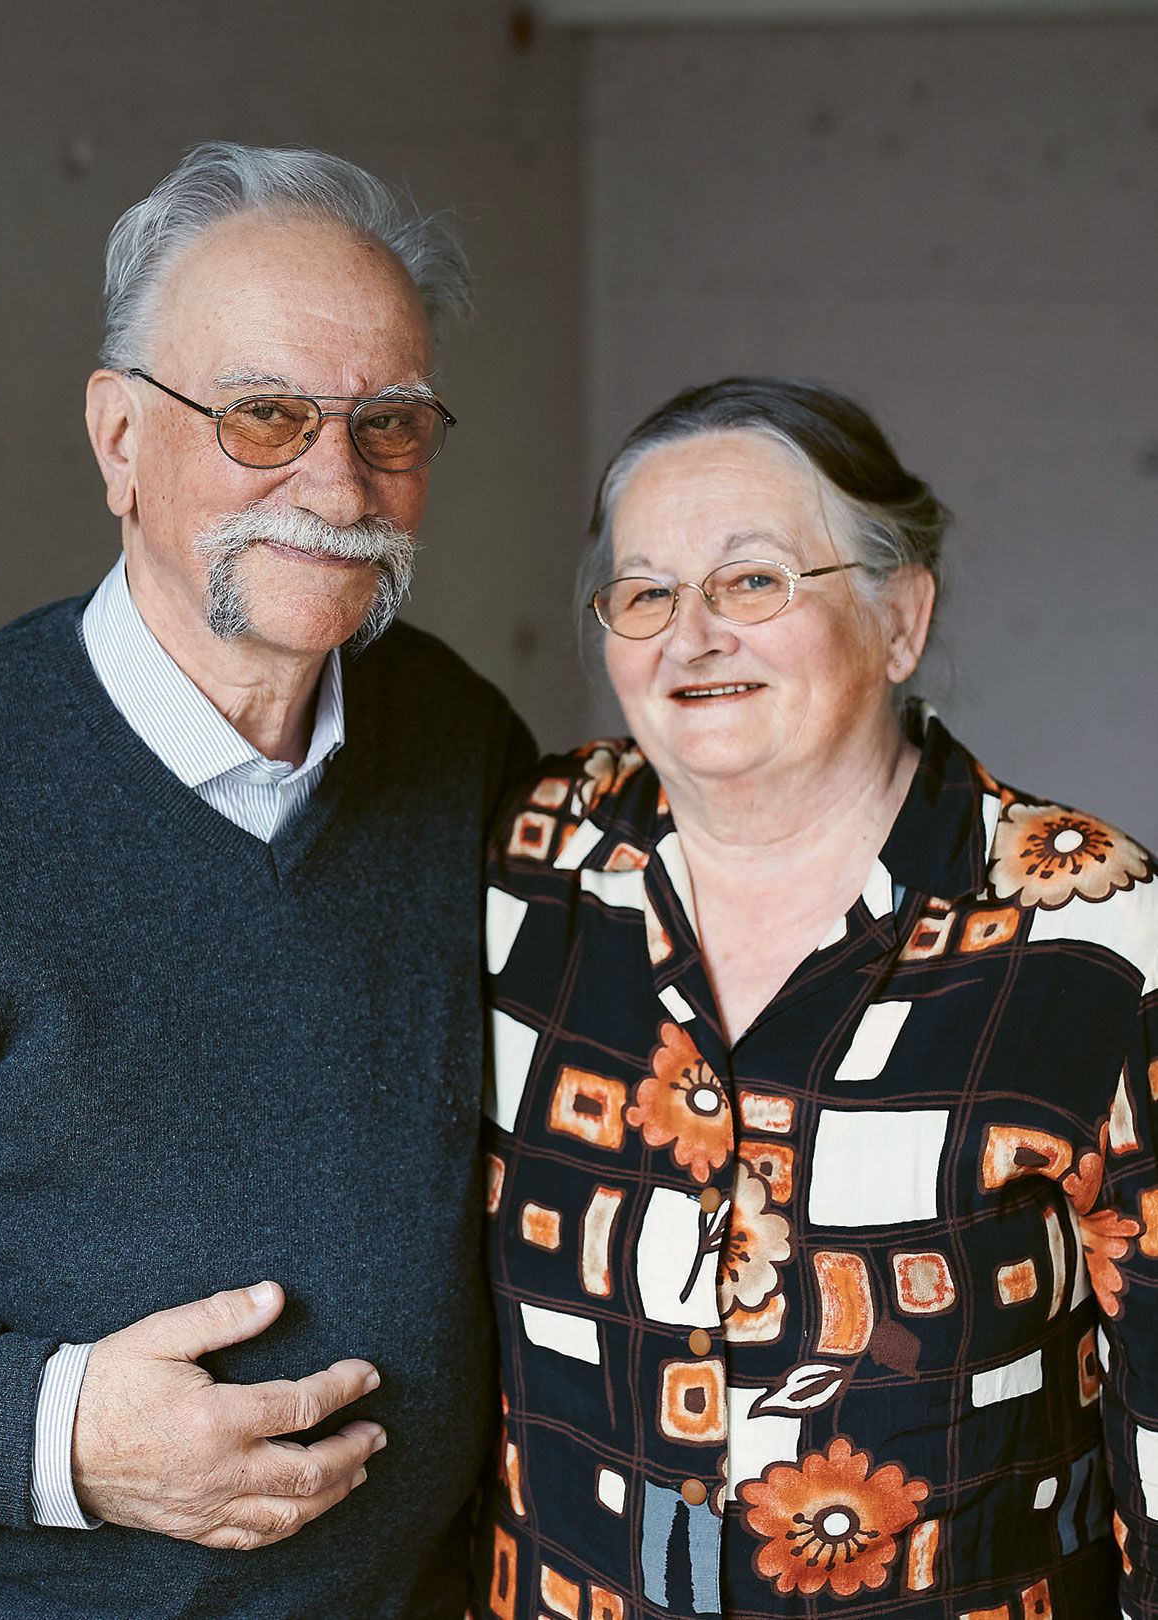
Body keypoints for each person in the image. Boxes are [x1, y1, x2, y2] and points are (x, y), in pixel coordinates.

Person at [0, 142, 533, 1620]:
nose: (336, 481)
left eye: (391, 423)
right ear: (117, 439)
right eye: (264, 414)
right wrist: (60, 1436)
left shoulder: (464, 740)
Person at [474, 377, 1157, 1619]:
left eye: (752, 581)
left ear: (901, 619)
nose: (691, 636)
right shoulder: (531, 866)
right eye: (645, 593)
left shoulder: (1090, 931)